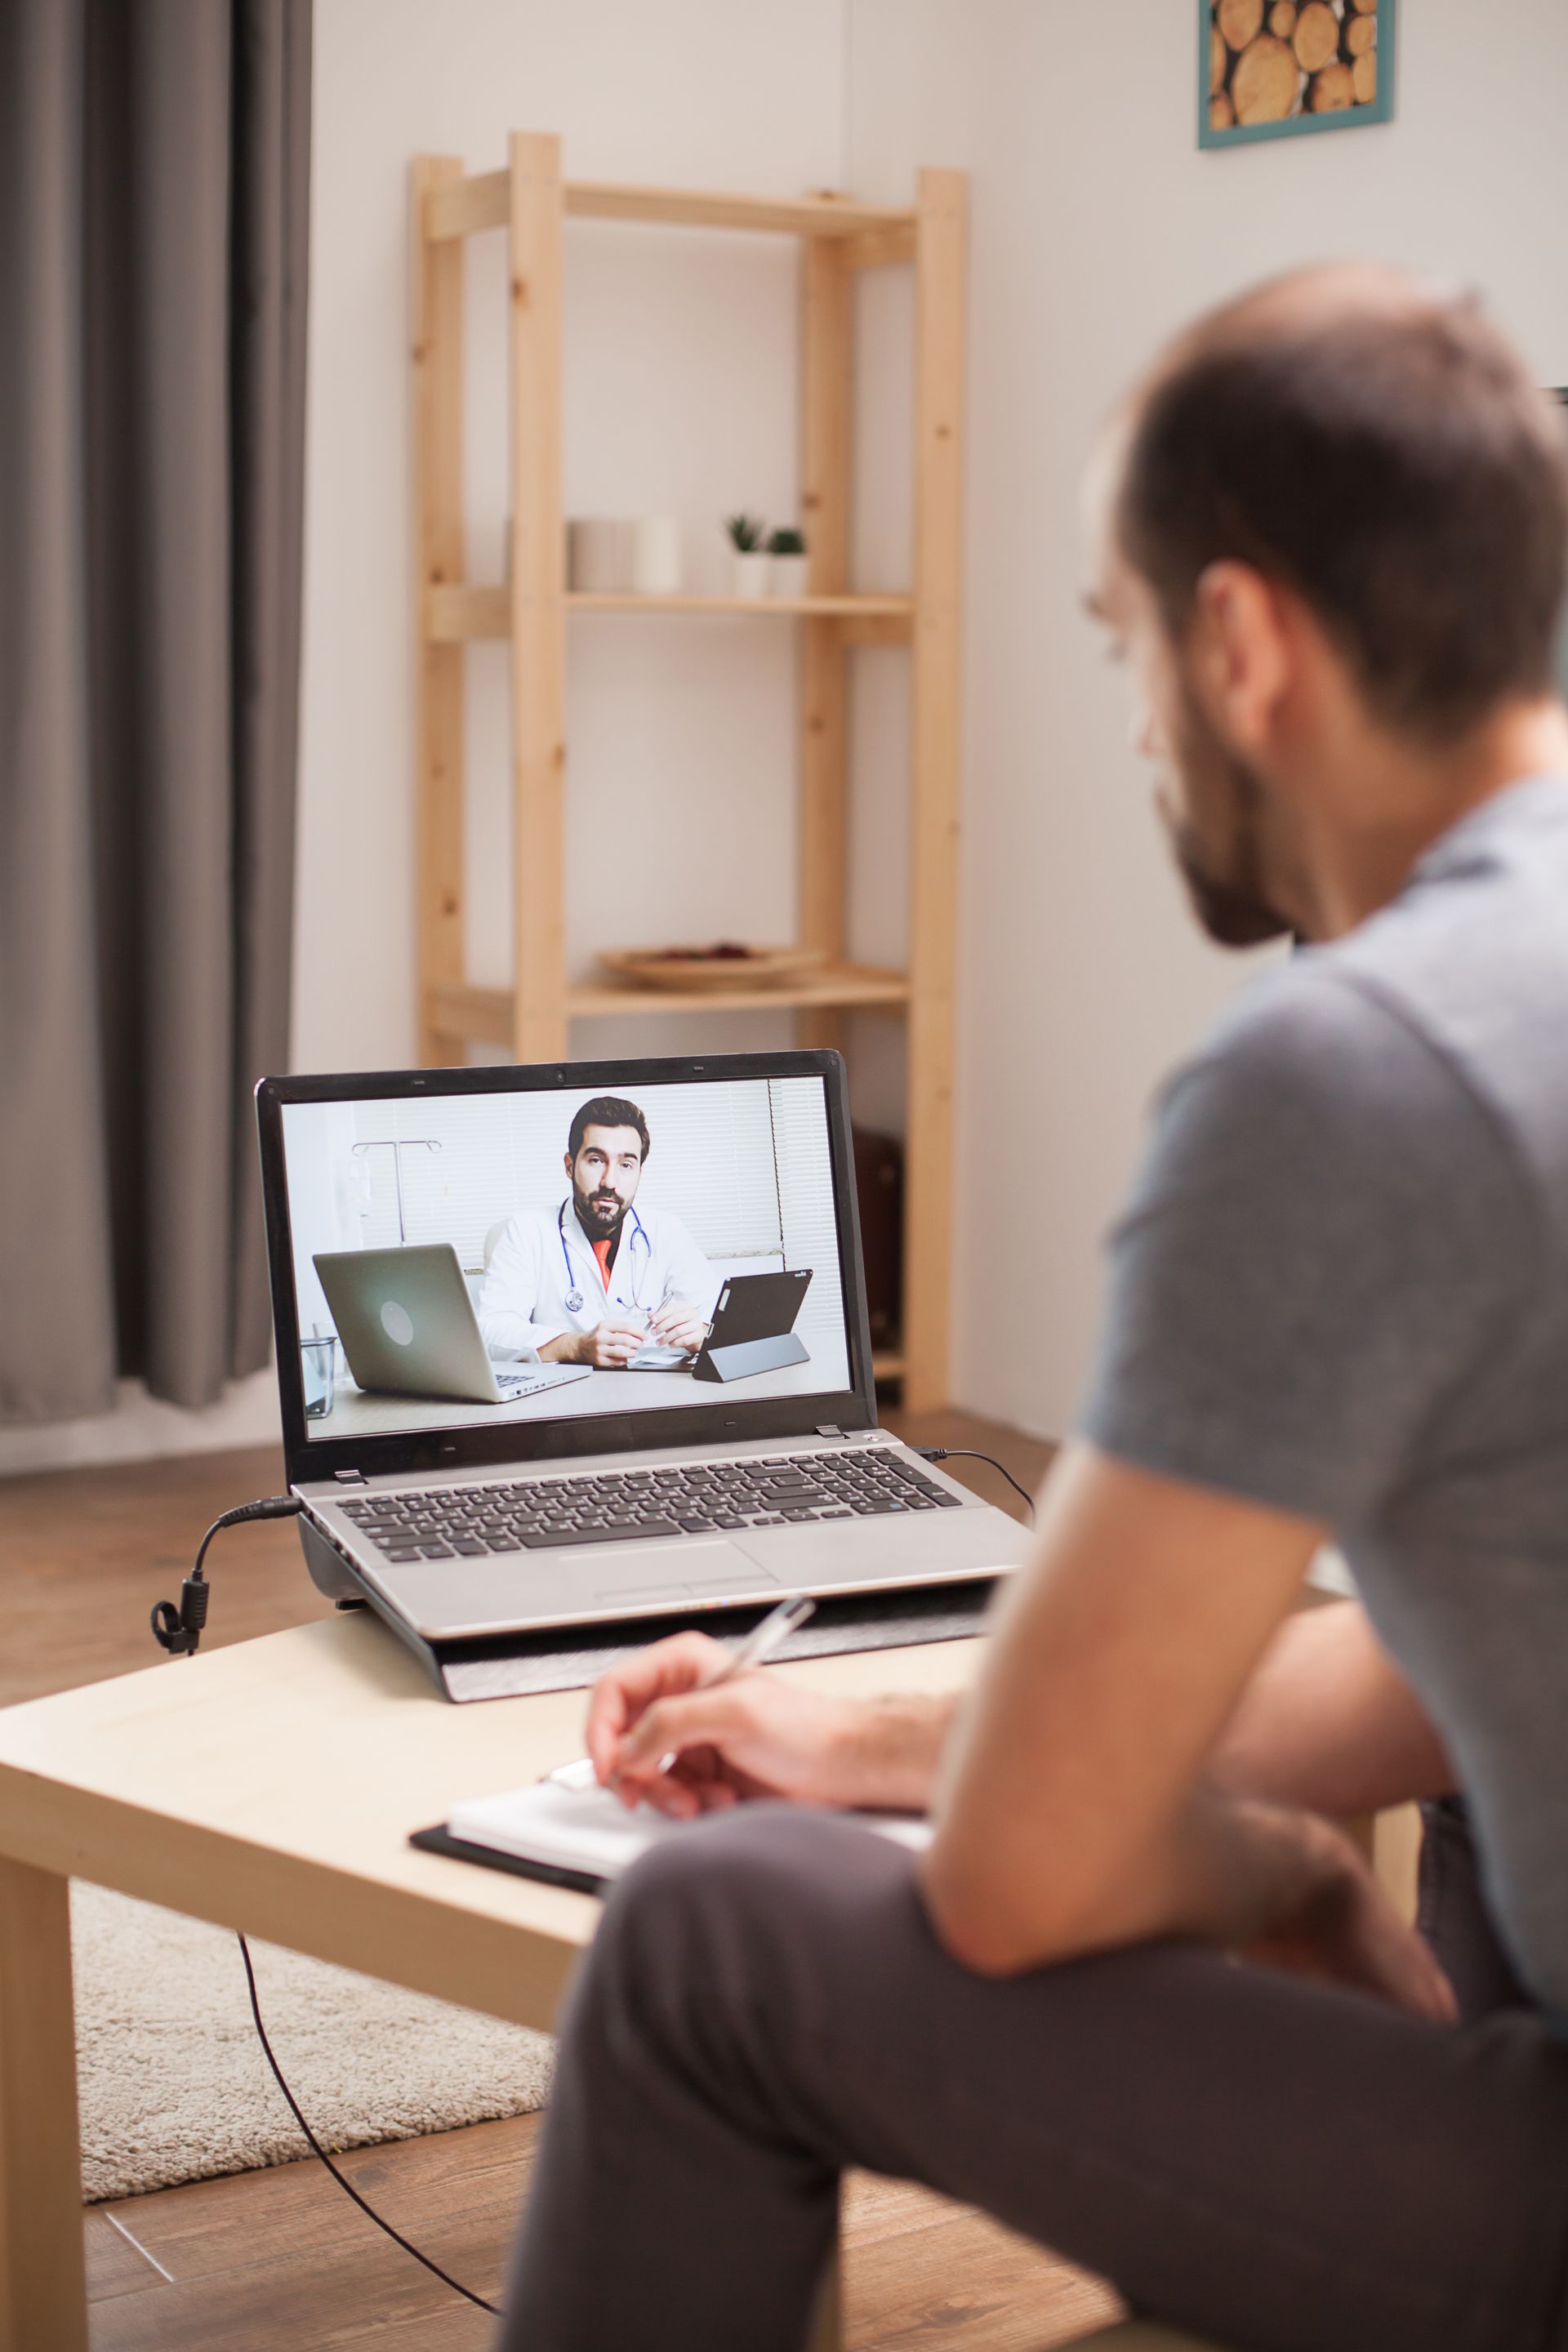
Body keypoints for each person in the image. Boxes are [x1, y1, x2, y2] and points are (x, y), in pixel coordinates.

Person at [497, 268, 1568, 2352]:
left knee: (706, 1937)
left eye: (1122, 646)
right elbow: (1471, 1667)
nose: (1144, 724)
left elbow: (1017, 1881)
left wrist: (1274, 1876)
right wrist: (884, 1729)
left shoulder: (1359, 1065)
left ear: (1238, 641)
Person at [477, 1094, 719, 1369]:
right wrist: (576, 1346)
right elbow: (490, 1331)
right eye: (595, 1160)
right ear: (570, 1165)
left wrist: (703, 1332)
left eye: (626, 1165)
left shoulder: (667, 1230)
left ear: (640, 1171)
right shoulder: (526, 1230)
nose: (610, 1182)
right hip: (564, 1399)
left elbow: (721, 1318)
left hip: (653, 1393)